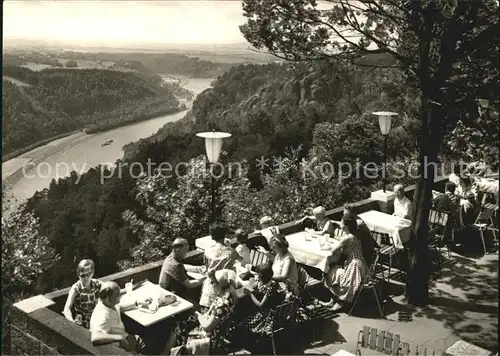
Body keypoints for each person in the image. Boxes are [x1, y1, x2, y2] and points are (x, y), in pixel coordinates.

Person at [172, 269, 239, 355]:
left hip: (210, 339)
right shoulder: (228, 299)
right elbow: (209, 317)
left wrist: (197, 313)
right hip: (218, 335)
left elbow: (206, 326)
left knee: (178, 333)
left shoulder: (221, 306)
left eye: (212, 282)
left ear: (218, 285)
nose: (211, 285)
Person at [89, 281, 156, 352]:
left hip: (125, 335)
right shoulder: (102, 315)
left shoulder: (108, 303)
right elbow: (95, 337)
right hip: (122, 343)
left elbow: (120, 307)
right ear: (108, 298)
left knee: (149, 332)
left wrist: (137, 303)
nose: (120, 296)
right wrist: (119, 338)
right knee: (154, 338)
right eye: (118, 295)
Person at [321, 214, 368, 312]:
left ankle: (339, 301)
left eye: (341, 223)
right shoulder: (355, 234)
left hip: (355, 268)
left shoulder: (347, 238)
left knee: (329, 270)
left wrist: (332, 243)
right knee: (334, 268)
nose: (340, 225)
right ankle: (334, 300)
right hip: (361, 265)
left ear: (346, 226)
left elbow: (333, 251)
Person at [199, 222, 240, 309]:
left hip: (211, 289)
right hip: (226, 290)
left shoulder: (207, 251)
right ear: (225, 234)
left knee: (209, 315)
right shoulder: (231, 252)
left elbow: (207, 269)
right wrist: (229, 246)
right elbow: (241, 260)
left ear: (212, 236)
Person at [243, 264, 285, 334]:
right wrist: (256, 286)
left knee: (244, 320)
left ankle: (247, 337)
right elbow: (260, 290)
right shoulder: (269, 283)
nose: (257, 277)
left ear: (264, 277)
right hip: (267, 310)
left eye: (258, 276)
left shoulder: (271, 289)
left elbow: (261, 305)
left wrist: (250, 294)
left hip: (266, 316)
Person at [63, 259, 102, 329]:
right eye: (83, 275)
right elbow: (67, 309)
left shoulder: (98, 284)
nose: (86, 278)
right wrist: (72, 322)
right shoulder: (76, 288)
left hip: (96, 318)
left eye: (88, 274)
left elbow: (110, 291)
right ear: (79, 275)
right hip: (82, 321)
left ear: (92, 273)